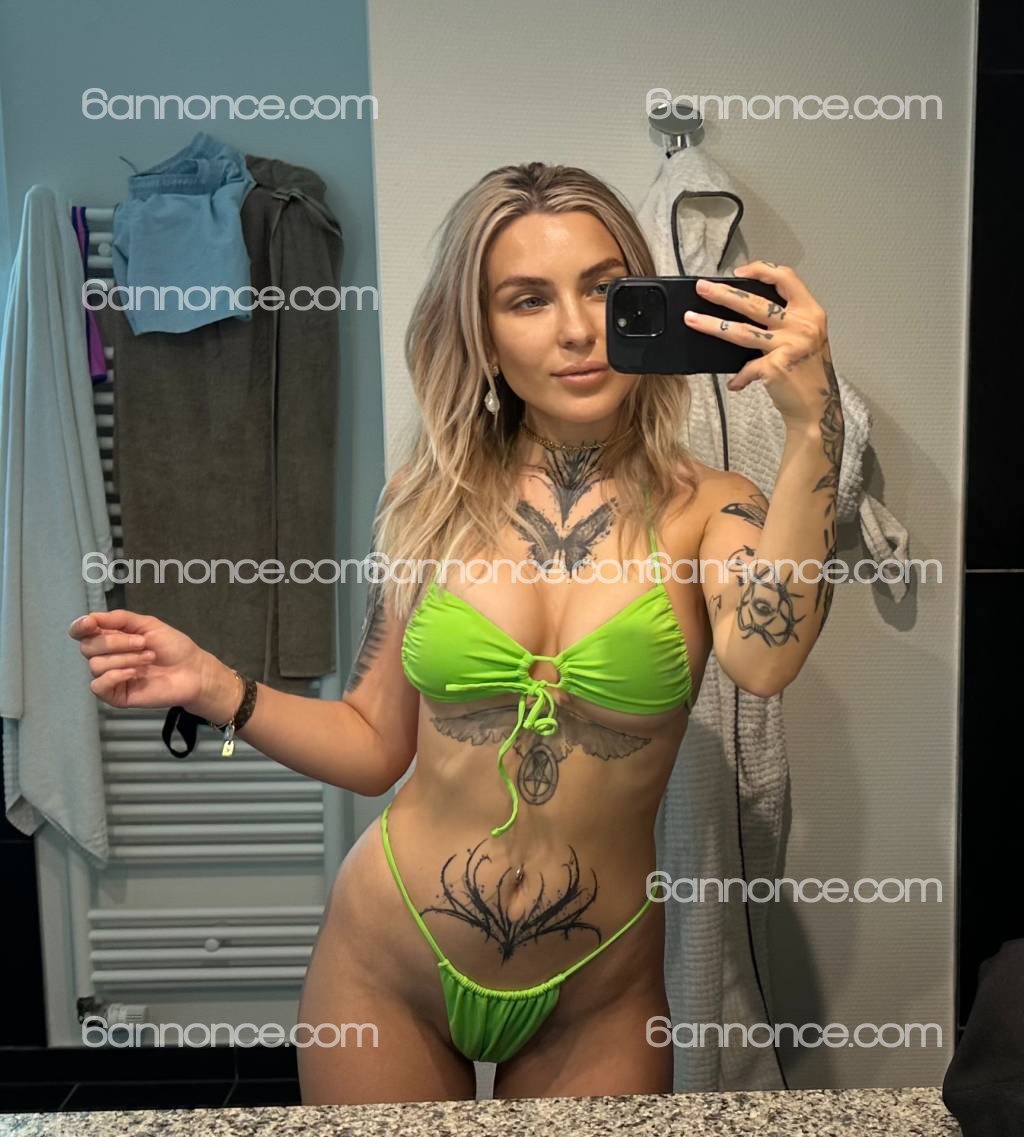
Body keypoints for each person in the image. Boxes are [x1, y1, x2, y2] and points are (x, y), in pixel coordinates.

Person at [70, 161, 844, 1105]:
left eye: (603, 288)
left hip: (597, 991)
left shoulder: (711, 508)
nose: (576, 329)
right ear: (481, 334)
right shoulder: (428, 501)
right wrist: (212, 683)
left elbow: (764, 659)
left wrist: (813, 427)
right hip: (387, 964)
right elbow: (372, 742)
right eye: (528, 300)